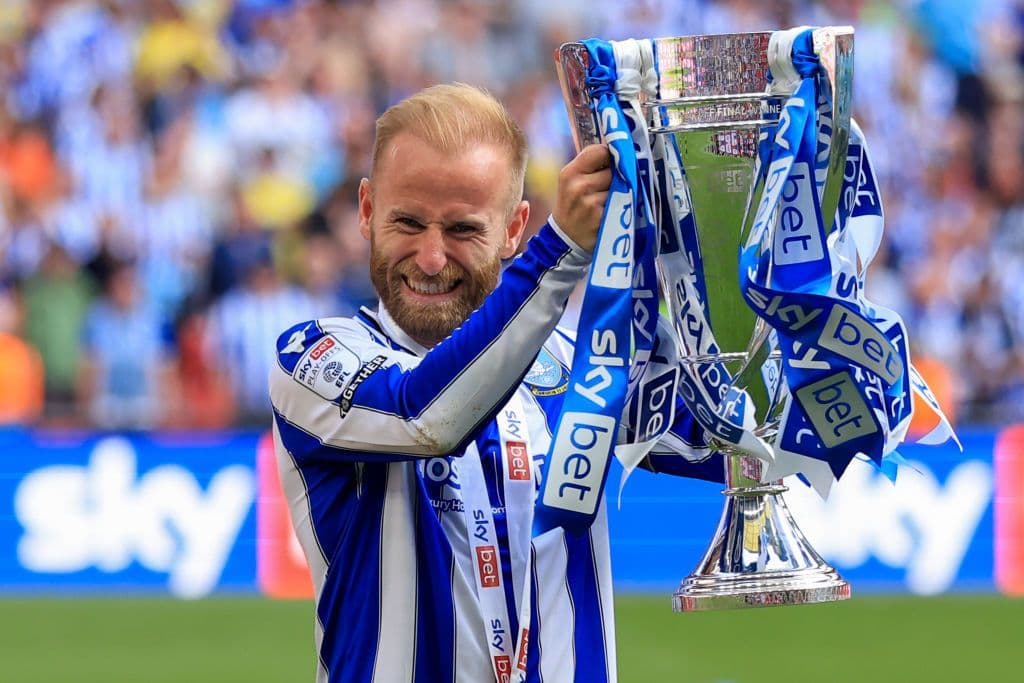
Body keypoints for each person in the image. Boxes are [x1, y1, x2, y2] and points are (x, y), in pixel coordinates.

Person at [269, 83, 714, 683]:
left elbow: (744, 439)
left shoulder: (583, 370)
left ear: (513, 227)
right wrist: (558, 252)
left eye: (462, 230)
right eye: (407, 221)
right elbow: (425, 416)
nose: (430, 257)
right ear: (368, 210)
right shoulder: (312, 358)